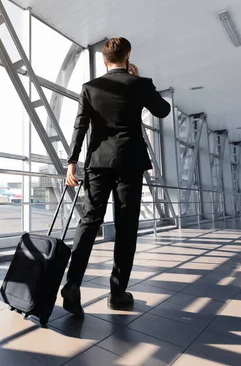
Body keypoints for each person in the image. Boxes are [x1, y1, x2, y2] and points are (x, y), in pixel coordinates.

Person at [61, 37, 171, 316]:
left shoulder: (90, 88)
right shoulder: (139, 84)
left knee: (89, 221)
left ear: (103, 59)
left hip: (97, 163)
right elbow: (162, 110)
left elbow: (80, 127)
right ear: (128, 55)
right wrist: (140, 80)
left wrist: (72, 162)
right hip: (130, 162)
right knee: (125, 227)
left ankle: (72, 284)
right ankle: (118, 293)